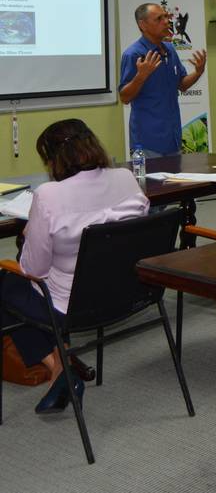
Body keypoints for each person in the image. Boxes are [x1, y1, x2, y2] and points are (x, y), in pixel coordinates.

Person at [0, 119, 149, 414]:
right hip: (127, 292)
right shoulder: (126, 178)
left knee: (7, 285)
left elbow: (33, 269)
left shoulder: (48, 196)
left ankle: (60, 368)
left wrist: (31, 232)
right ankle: (62, 368)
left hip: (72, 307)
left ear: (55, 159)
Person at [119, 2, 207, 156]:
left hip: (173, 139)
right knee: (151, 181)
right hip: (147, 143)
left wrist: (198, 72)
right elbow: (124, 97)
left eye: (166, 17)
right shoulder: (133, 54)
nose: (166, 22)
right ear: (143, 25)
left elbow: (182, 84)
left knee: (175, 180)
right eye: (159, 19)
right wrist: (141, 76)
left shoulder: (170, 50)